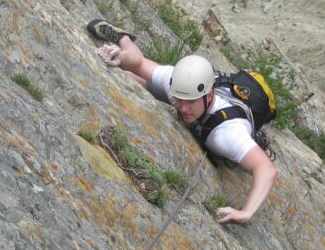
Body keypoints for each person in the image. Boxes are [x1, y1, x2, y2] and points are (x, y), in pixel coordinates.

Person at [88, 19, 278, 225]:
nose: (183, 108)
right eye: (179, 100)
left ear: (208, 95)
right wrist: (121, 56)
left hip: (232, 111)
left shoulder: (227, 133)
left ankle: (258, 137)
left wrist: (246, 212)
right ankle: (122, 38)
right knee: (128, 74)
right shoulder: (176, 84)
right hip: (208, 93)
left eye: (190, 102)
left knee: (137, 77)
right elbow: (141, 64)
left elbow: (266, 169)